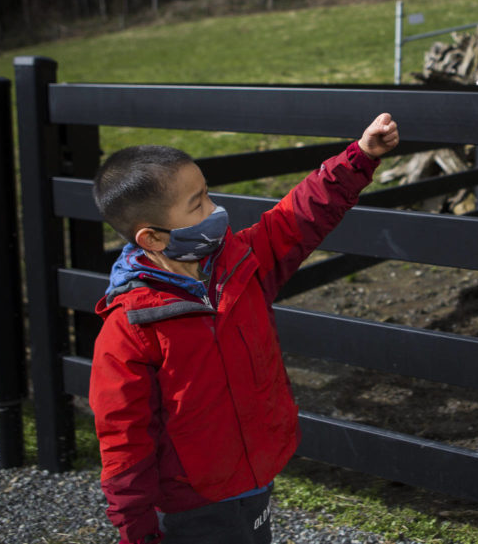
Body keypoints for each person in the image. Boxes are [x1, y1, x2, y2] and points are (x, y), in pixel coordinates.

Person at [88, 114, 399, 544]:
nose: (214, 210)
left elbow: (299, 216)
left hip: (254, 476)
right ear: (153, 239)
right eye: (196, 204)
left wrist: (359, 157)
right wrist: (136, 530)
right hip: (190, 502)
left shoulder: (241, 261)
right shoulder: (131, 328)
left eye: (207, 194)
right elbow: (123, 440)